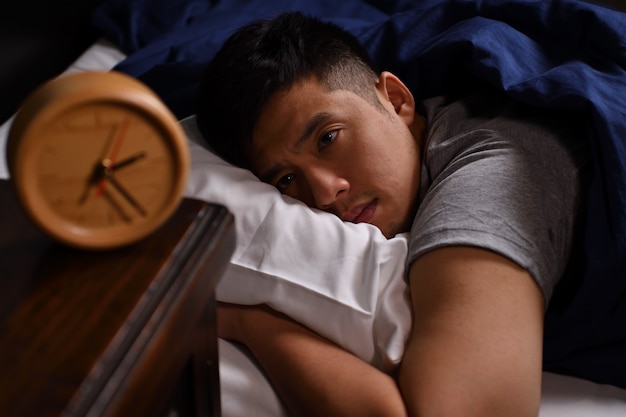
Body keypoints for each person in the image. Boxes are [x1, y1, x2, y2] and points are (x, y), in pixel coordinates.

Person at [195, 11, 590, 417]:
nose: (324, 192)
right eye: (285, 179)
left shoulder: (487, 180)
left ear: (397, 99)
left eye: (328, 138)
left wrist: (255, 324)